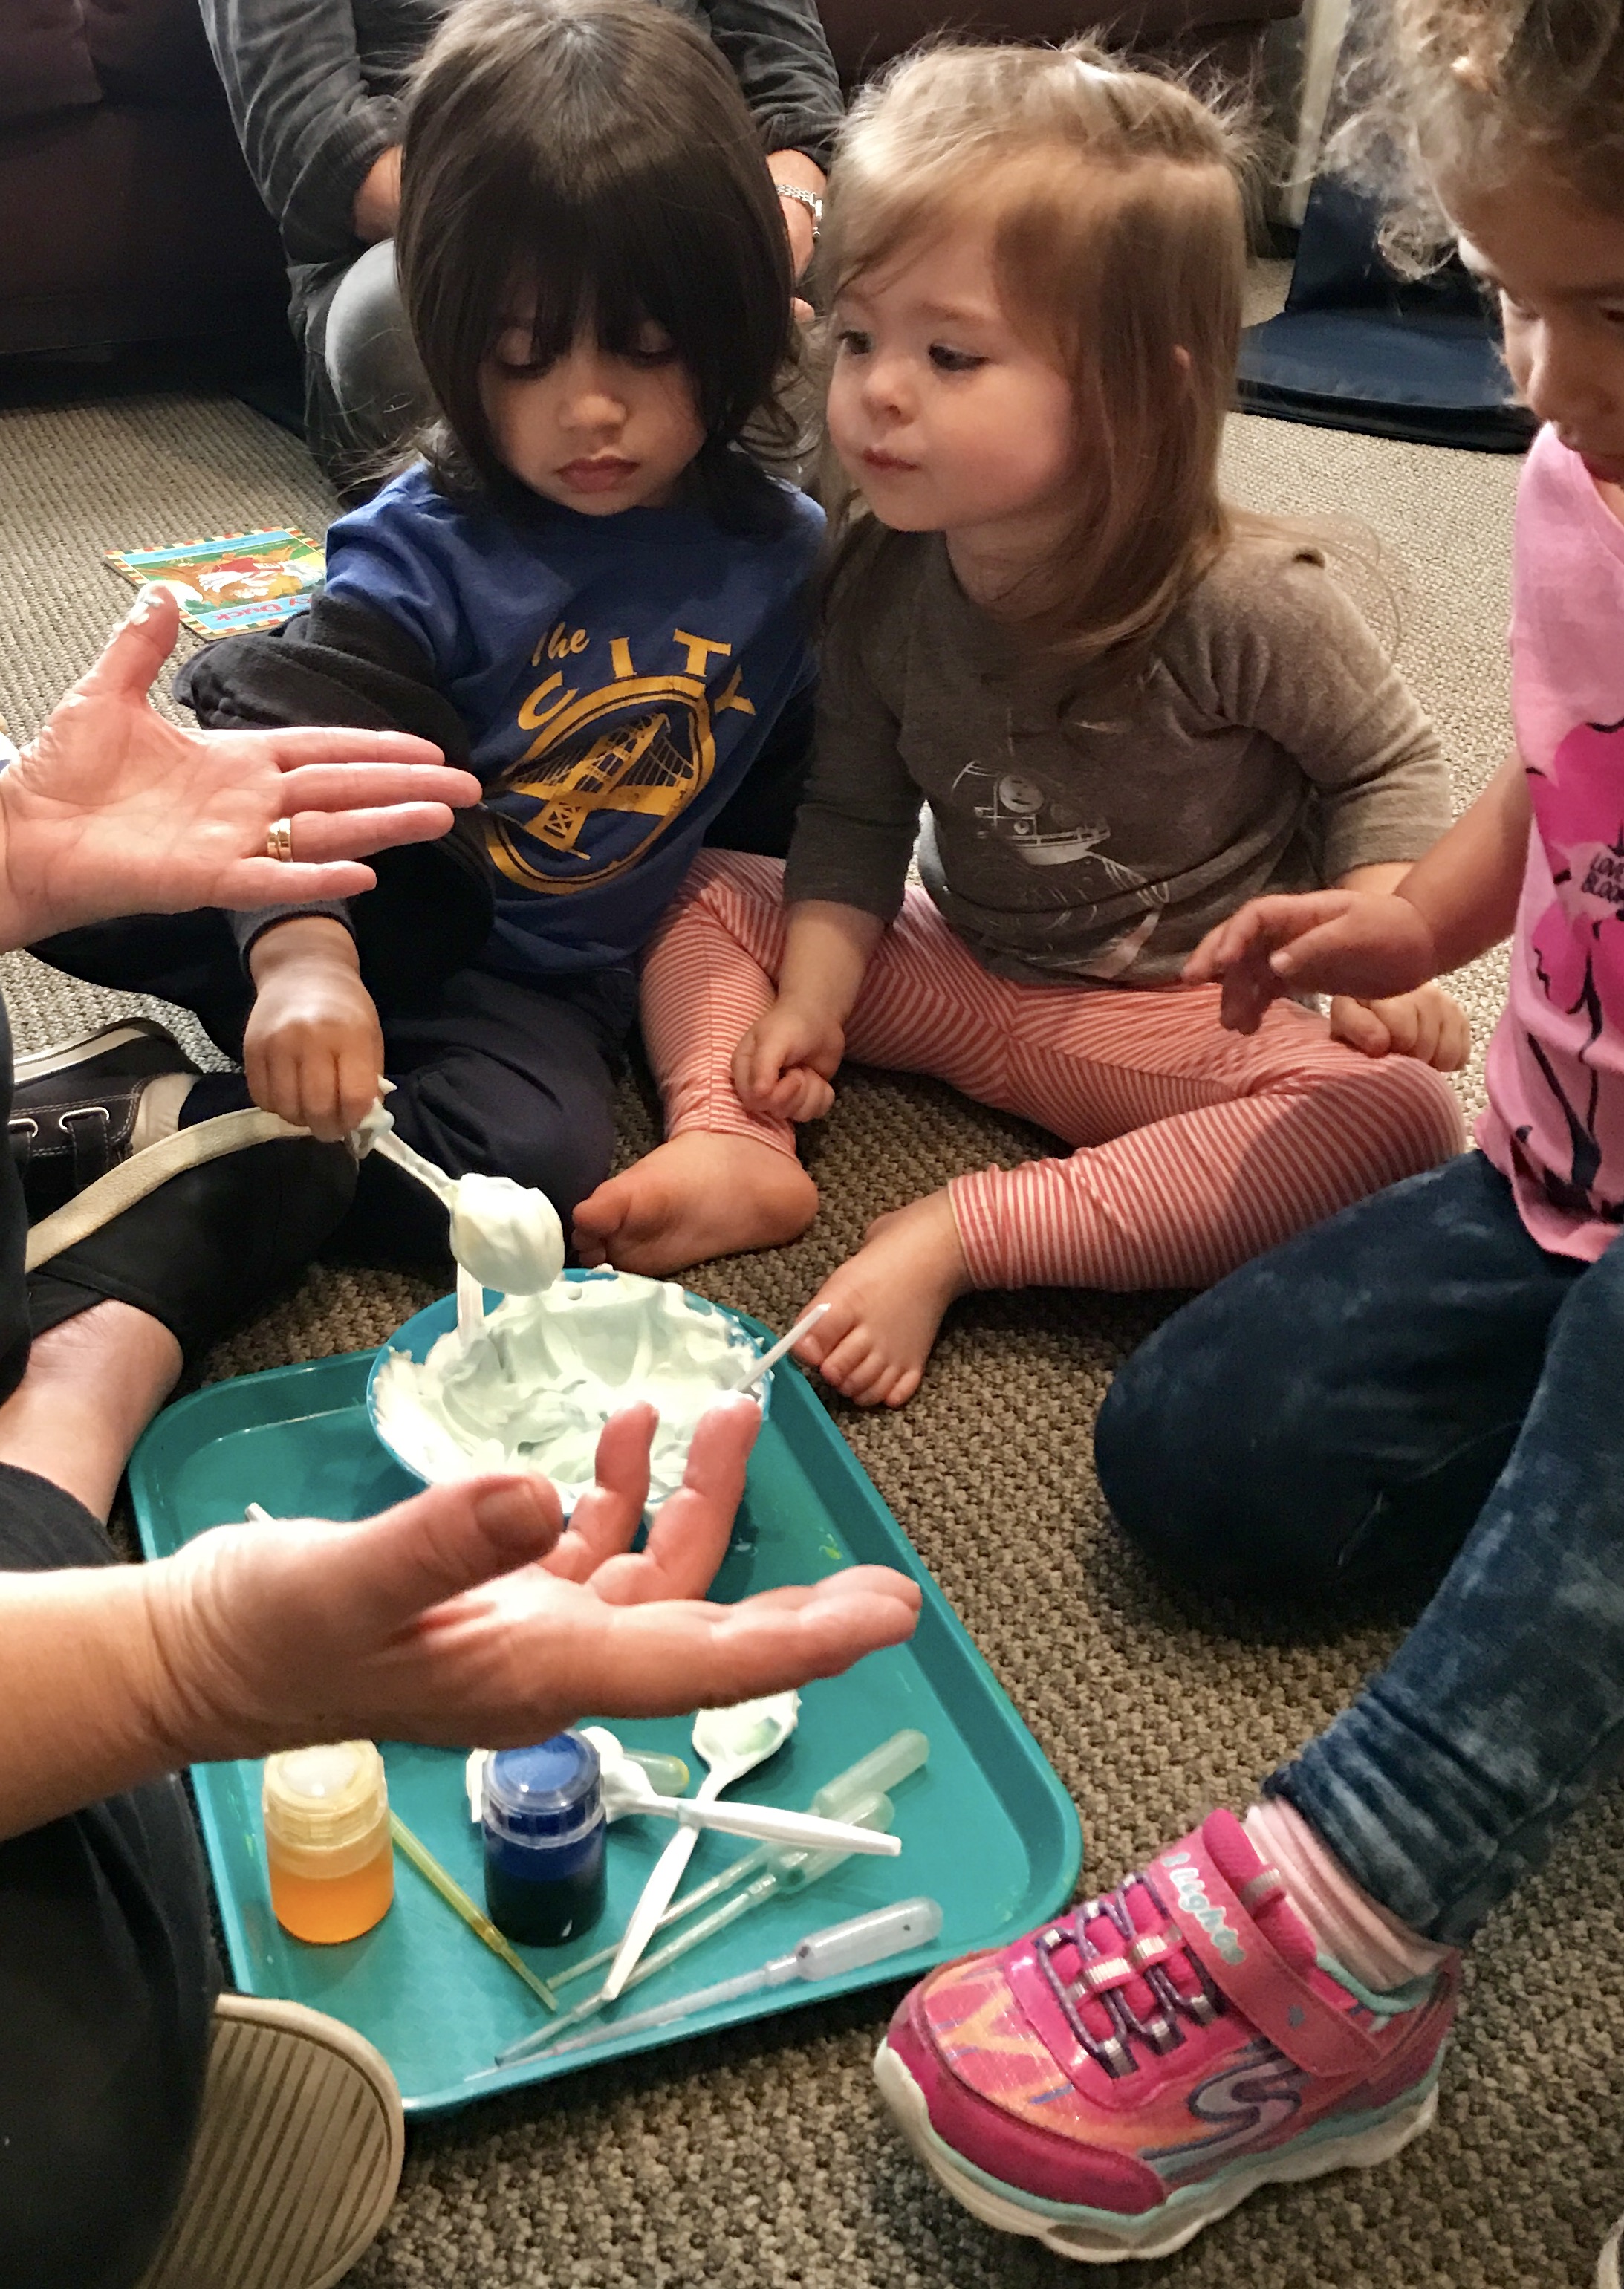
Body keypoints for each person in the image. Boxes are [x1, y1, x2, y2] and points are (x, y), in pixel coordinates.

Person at [868, 2, 1624, 2276]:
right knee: (1196, 1459)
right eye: (1511, 293)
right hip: (1550, 1180)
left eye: (1605, 312)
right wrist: (1418, 904)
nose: (1537, 380)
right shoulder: (1591, 473)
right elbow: (1563, 740)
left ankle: (1360, 1899)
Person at [0, 589, 922, 2289]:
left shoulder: (771, 575)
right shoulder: (420, 576)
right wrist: (193, 1662)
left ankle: (73, 1377)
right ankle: (84, 1372)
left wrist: (7, 855)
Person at [574, 40, 1470, 1409]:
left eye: (950, 353)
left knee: (1398, 1117)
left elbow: (1388, 765)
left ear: (1136, 391)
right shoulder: (876, 582)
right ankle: (735, 1141)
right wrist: (810, 1000)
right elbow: (858, 815)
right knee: (687, 881)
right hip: (962, 968)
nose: (876, 388)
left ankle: (968, 1233)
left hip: (1182, 1025)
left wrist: (1381, 933)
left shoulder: (1246, 600)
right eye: (857, 336)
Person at [29, 0, 827, 1277]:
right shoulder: (423, 546)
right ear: (452, 345)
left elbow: (767, 815)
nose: (590, 407)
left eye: (651, 348)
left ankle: (162, 1121)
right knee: (87, 855)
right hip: (323, 865)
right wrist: (303, 968)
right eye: (522, 357)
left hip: (521, 981)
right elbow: (302, 789)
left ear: (737, 321)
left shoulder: (786, 556)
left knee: (530, 1176)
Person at [195, 0, 839, 487]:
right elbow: (318, 156)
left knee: (893, 307)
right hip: (438, 241)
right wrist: (620, 248)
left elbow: (802, 107)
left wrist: (761, 245)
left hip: (712, 225)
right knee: (392, 326)